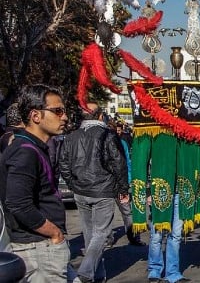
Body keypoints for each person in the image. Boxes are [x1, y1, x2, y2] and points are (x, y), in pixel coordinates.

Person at [0, 84, 69, 282]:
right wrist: (54, 232)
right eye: (57, 111)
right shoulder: (25, 151)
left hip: (43, 247)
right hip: (39, 249)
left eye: (64, 111)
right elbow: (17, 203)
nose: (64, 117)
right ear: (35, 116)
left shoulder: (32, 147)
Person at [60, 102, 129, 283]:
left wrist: (73, 184)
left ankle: (98, 274)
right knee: (101, 234)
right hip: (102, 190)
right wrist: (123, 188)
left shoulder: (71, 136)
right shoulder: (107, 135)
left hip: (81, 190)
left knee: (90, 234)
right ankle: (85, 273)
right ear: (100, 116)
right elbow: (118, 163)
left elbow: (64, 164)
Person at [108, 118, 143, 247]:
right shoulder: (114, 142)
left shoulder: (122, 142)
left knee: (125, 211)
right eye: (114, 129)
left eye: (118, 130)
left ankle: (132, 236)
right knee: (115, 212)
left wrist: (128, 180)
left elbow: (127, 162)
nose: (116, 131)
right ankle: (111, 238)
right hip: (112, 183)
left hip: (115, 183)